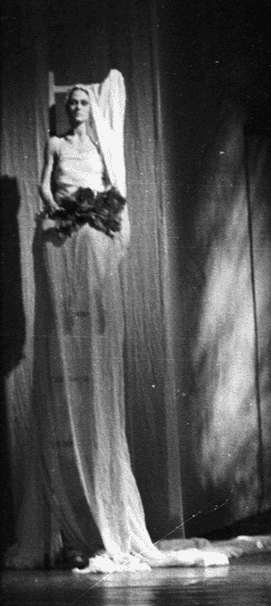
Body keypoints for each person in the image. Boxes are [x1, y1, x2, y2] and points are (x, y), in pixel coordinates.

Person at [7, 72, 224, 572]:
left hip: (90, 228)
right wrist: (57, 205)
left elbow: (110, 186)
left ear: (92, 108)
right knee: (62, 324)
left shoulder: (99, 147)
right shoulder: (56, 142)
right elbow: (44, 181)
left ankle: (107, 514)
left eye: (84, 101)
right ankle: (63, 514)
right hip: (62, 227)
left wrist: (95, 212)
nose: (77, 108)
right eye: (73, 102)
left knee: (93, 311)